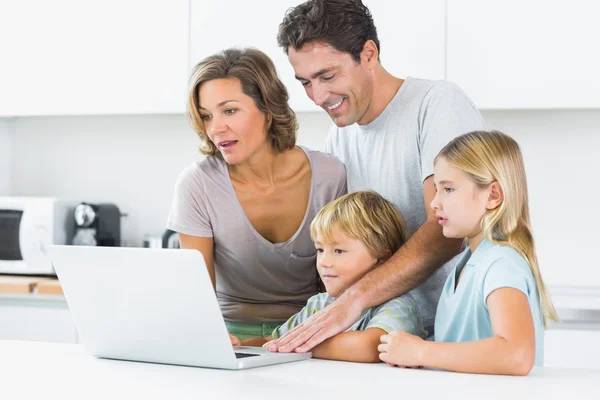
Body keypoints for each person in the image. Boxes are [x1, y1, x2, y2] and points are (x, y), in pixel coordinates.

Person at [267, 0, 486, 353]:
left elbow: (449, 231)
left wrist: (353, 302)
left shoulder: (437, 105)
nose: (318, 96)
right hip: (385, 341)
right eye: (306, 82)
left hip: (454, 338)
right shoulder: (341, 135)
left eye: (328, 76)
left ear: (368, 54)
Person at [166, 48, 347, 345]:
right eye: (206, 116)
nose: (216, 128)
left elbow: (340, 285)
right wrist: (216, 340)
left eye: (230, 111)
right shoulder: (197, 184)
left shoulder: (330, 176)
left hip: (309, 333)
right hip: (229, 335)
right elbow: (197, 295)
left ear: (267, 109)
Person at [378, 130, 559, 375]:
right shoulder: (470, 261)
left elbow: (517, 355)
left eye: (448, 189)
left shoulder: (500, 263)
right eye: (436, 189)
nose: (434, 203)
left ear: (493, 195)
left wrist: (421, 351)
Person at [248, 191, 426, 363]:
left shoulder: (398, 305)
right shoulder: (318, 305)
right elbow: (274, 341)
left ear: (382, 259)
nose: (324, 262)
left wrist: (300, 346)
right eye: (320, 250)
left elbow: (371, 347)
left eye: (339, 251)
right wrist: (237, 345)